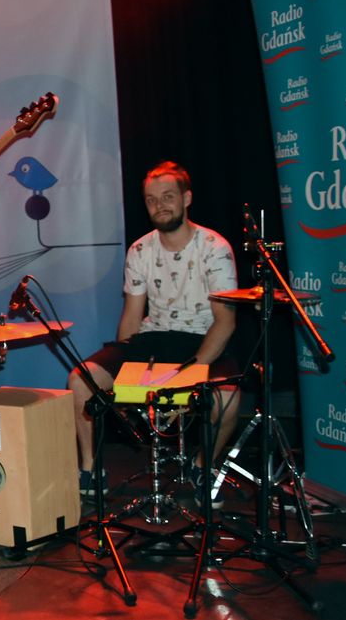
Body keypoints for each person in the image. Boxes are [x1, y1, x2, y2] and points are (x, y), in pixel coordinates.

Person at [68, 161, 239, 502]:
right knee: (80, 379)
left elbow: (225, 321)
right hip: (153, 338)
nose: (159, 205)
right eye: (151, 199)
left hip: (201, 340)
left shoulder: (214, 247)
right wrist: (122, 377)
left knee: (229, 400)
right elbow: (132, 316)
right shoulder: (140, 249)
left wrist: (192, 370)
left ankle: (203, 465)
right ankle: (90, 468)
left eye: (168, 196)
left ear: (186, 198)